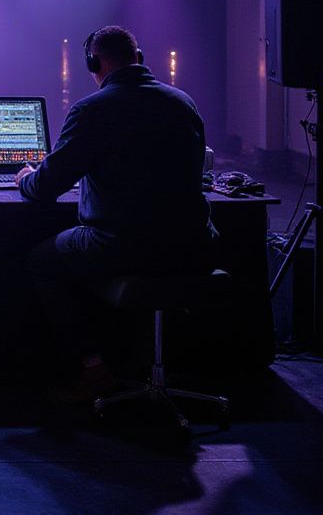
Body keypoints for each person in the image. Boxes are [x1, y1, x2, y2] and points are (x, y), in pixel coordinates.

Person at [16, 25, 216, 402]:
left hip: (121, 245)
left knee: (40, 262)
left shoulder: (93, 109)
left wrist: (27, 176)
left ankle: (93, 368)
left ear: (94, 62)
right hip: (194, 246)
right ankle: (138, 362)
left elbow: (44, 188)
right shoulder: (182, 102)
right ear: (138, 59)